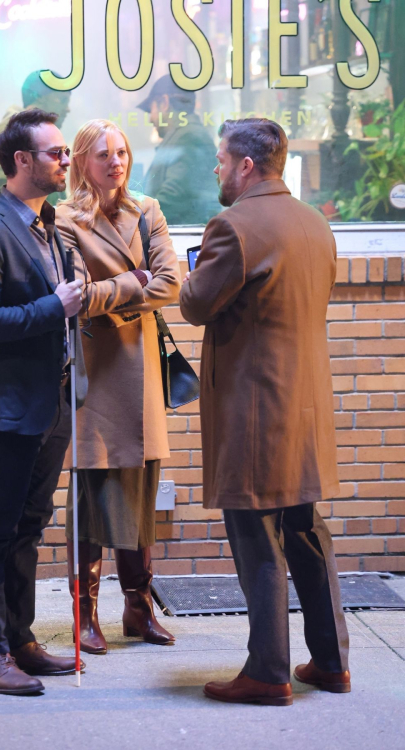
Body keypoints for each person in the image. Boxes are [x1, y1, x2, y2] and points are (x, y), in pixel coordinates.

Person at [180, 118, 350, 706]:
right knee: (306, 532)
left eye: (222, 160)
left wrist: (191, 268)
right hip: (304, 407)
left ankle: (267, 672)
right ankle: (331, 663)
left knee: (258, 540)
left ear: (246, 165)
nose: (217, 169)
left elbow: (197, 304)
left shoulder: (232, 227)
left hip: (255, 412)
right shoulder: (315, 224)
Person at [0, 108, 85, 695]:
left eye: (64, 152)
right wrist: (52, 308)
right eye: (55, 152)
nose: (66, 160)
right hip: (9, 409)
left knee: (30, 527)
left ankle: (20, 639)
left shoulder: (50, 226)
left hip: (52, 403)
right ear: (22, 162)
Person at [55, 119, 181, 655]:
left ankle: (138, 608)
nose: (117, 162)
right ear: (82, 160)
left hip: (141, 371)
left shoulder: (147, 209)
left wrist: (113, 296)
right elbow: (76, 294)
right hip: (97, 374)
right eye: (104, 154)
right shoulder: (61, 219)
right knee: (91, 493)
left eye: (123, 152)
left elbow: (172, 282)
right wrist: (134, 284)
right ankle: (86, 617)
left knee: (142, 488)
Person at [137, 74, 220, 225]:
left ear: (164, 103)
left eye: (151, 110)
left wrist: (130, 219)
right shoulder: (183, 135)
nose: (150, 119)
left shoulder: (188, 138)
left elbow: (172, 200)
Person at [0, 71, 71, 203]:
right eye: (62, 100)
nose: (67, 109)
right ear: (38, 97)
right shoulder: (8, 130)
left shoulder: (30, 132)